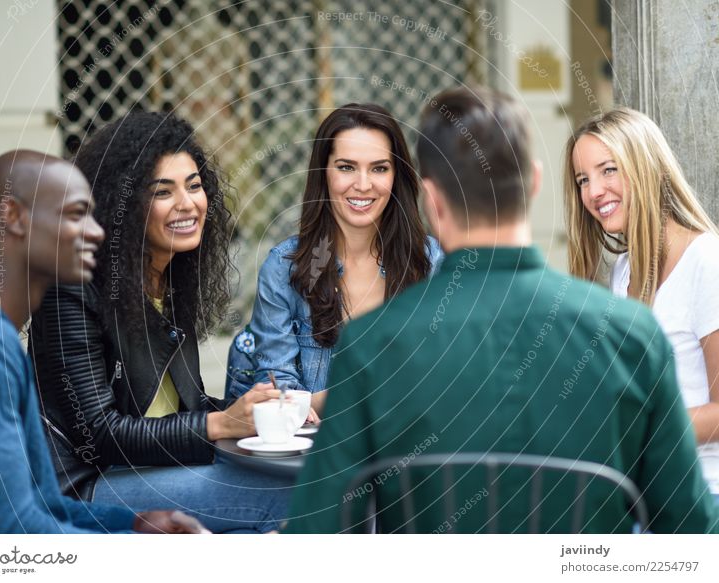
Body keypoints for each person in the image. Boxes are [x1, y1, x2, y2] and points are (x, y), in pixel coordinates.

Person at [284, 87, 719, 533]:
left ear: (431, 200)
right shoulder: (631, 335)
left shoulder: (372, 347)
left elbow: (317, 535)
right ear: (533, 182)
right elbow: (689, 530)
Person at [29, 112, 290, 534]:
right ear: (123, 206)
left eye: (194, 185)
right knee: (281, 495)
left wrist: (275, 410)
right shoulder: (72, 289)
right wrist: (219, 423)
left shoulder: (170, 282)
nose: (187, 204)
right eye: (163, 192)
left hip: (152, 473)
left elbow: (185, 411)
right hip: (86, 488)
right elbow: (100, 433)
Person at [0, 150, 206, 533]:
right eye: (75, 215)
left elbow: (44, 505)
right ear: (14, 217)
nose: (97, 231)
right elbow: (9, 535)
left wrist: (136, 524)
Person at [225, 103, 443, 404]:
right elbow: (276, 390)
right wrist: (360, 398)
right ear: (323, 173)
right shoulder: (284, 268)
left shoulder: (433, 262)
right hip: (315, 449)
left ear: (396, 177)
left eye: (379, 168)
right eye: (346, 167)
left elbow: (446, 377)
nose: (363, 185)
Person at [564, 107, 719, 502]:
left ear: (646, 166)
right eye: (583, 179)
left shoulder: (706, 260)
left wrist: (636, 428)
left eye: (608, 170)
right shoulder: (623, 271)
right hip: (642, 499)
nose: (594, 191)